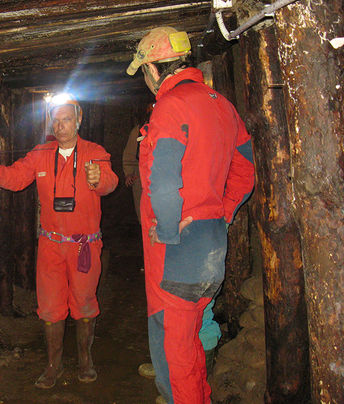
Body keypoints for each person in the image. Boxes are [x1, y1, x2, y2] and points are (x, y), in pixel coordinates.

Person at [126, 27, 255, 404]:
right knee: (193, 344)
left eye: (145, 71)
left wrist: (168, 230)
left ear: (152, 68)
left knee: (175, 357)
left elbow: (164, 184)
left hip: (175, 254)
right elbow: (245, 172)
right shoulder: (221, 104)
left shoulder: (171, 106)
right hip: (212, 247)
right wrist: (220, 214)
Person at [0, 93, 118, 389]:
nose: (61, 125)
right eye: (56, 120)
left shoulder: (95, 152)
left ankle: (85, 360)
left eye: (67, 119)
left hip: (84, 246)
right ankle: (53, 365)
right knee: (50, 306)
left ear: (79, 120)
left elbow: (110, 182)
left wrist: (98, 179)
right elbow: (15, 177)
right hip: (50, 245)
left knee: (85, 303)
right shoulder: (40, 154)